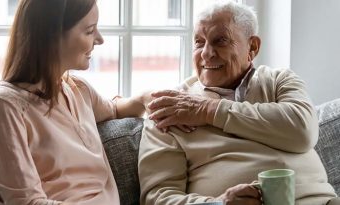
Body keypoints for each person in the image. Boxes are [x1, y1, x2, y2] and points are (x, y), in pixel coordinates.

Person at [138, 1, 337, 205]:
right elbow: (158, 198)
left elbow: (302, 131)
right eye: (199, 42)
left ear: (252, 47)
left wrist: (208, 110)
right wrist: (218, 203)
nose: (206, 53)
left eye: (220, 41)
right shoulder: (171, 109)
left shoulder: (279, 80)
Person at [0, 0, 147, 204]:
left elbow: (114, 110)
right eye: (89, 31)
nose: (99, 40)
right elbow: (25, 202)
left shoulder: (78, 90)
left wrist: (147, 98)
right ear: (52, 36)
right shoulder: (3, 107)